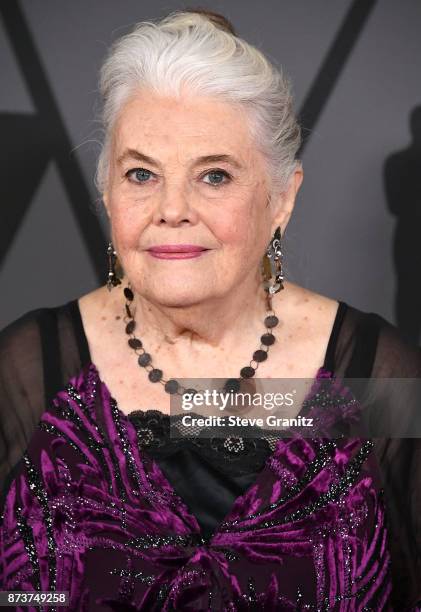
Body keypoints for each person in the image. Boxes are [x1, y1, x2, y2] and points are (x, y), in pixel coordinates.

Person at [0, 9, 420, 611]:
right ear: (107, 193)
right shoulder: (23, 373)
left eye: (214, 176)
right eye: (141, 173)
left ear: (281, 199)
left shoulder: (381, 378)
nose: (172, 209)